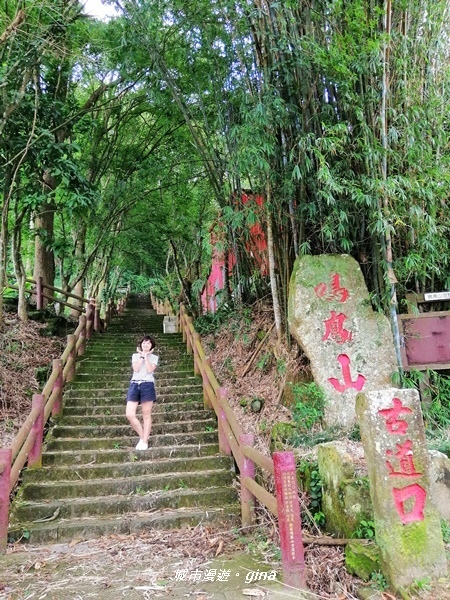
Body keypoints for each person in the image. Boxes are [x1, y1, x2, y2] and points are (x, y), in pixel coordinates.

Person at [125, 335, 159, 450]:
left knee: (146, 414)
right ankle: (143, 437)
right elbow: (136, 368)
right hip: (134, 384)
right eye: (144, 343)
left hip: (147, 385)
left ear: (152, 346)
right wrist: (141, 356)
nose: (145, 345)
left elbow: (149, 370)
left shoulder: (154, 358)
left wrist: (146, 357)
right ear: (141, 344)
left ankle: (144, 441)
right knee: (129, 414)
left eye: (148, 343)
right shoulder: (135, 356)